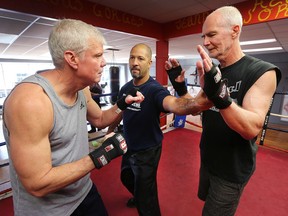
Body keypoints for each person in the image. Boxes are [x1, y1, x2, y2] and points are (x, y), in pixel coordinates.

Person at [2, 19, 144, 216]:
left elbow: (100, 119)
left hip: (83, 191)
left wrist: (122, 104)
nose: (104, 62)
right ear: (72, 58)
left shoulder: (81, 89)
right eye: (97, 55)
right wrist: (102, 154)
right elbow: (37, 184)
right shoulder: (31, 102)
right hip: (48, 211)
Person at [174, 6, 281, 216]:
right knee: (205, 200)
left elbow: (251, 128)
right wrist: (180, 87)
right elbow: (197, 109)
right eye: (203, 36)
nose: (205, 42)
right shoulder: (214, 72)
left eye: (211, 34)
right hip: (208, 158)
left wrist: (221, 97)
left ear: (235, 30)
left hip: (231, 170)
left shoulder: (262, 71)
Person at [107, 43, 212, 216]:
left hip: (148, 150)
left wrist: (196, 103)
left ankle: (143, 200)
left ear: (149, 63)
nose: (135, 62)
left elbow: (174, 105)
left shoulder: (155, 90)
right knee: (126, 177)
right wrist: (109, 131)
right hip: (129, 144)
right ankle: (138, 195)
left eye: (140, 58)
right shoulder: (126, 88)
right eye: (132, 57)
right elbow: (119, 111)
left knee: (146, 196)